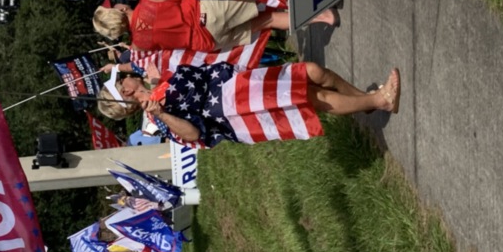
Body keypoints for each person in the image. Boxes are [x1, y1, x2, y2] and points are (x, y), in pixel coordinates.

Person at [97, 62, 401, 147]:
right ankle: (379, 99)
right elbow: (192, 135)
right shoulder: (159, 119)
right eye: (121, 84)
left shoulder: (156, 83)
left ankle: (364, 101)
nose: (124, 79)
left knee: (311, 72)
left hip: (238, 83)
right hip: (237, 109)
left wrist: (160, 79)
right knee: (309, 98)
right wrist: (162, 112)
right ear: (125, 96)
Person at [92, 0, 339, 52]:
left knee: (269, 20)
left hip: (210, 42)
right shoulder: (149, 0)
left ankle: (321, 18)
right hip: (206, 13)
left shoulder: (141, 45)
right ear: (120, 10)